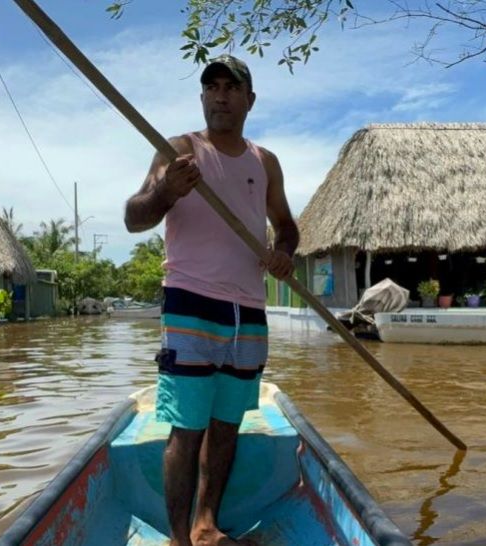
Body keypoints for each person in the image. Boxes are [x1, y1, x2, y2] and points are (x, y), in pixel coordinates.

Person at [124, 54, 299, 546]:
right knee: (187, 429)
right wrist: (164, 192)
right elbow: (134, 217)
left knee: (226, 427)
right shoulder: (179, 150)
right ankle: (180, 539)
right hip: (190, 303)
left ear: (249, 99)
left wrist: (283, 252)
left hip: (248, 311)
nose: (220, 95)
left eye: (231, 87)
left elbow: (287, 226)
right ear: (202, 97)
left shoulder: (265, 162)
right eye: (211, 87)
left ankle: (207, 524)